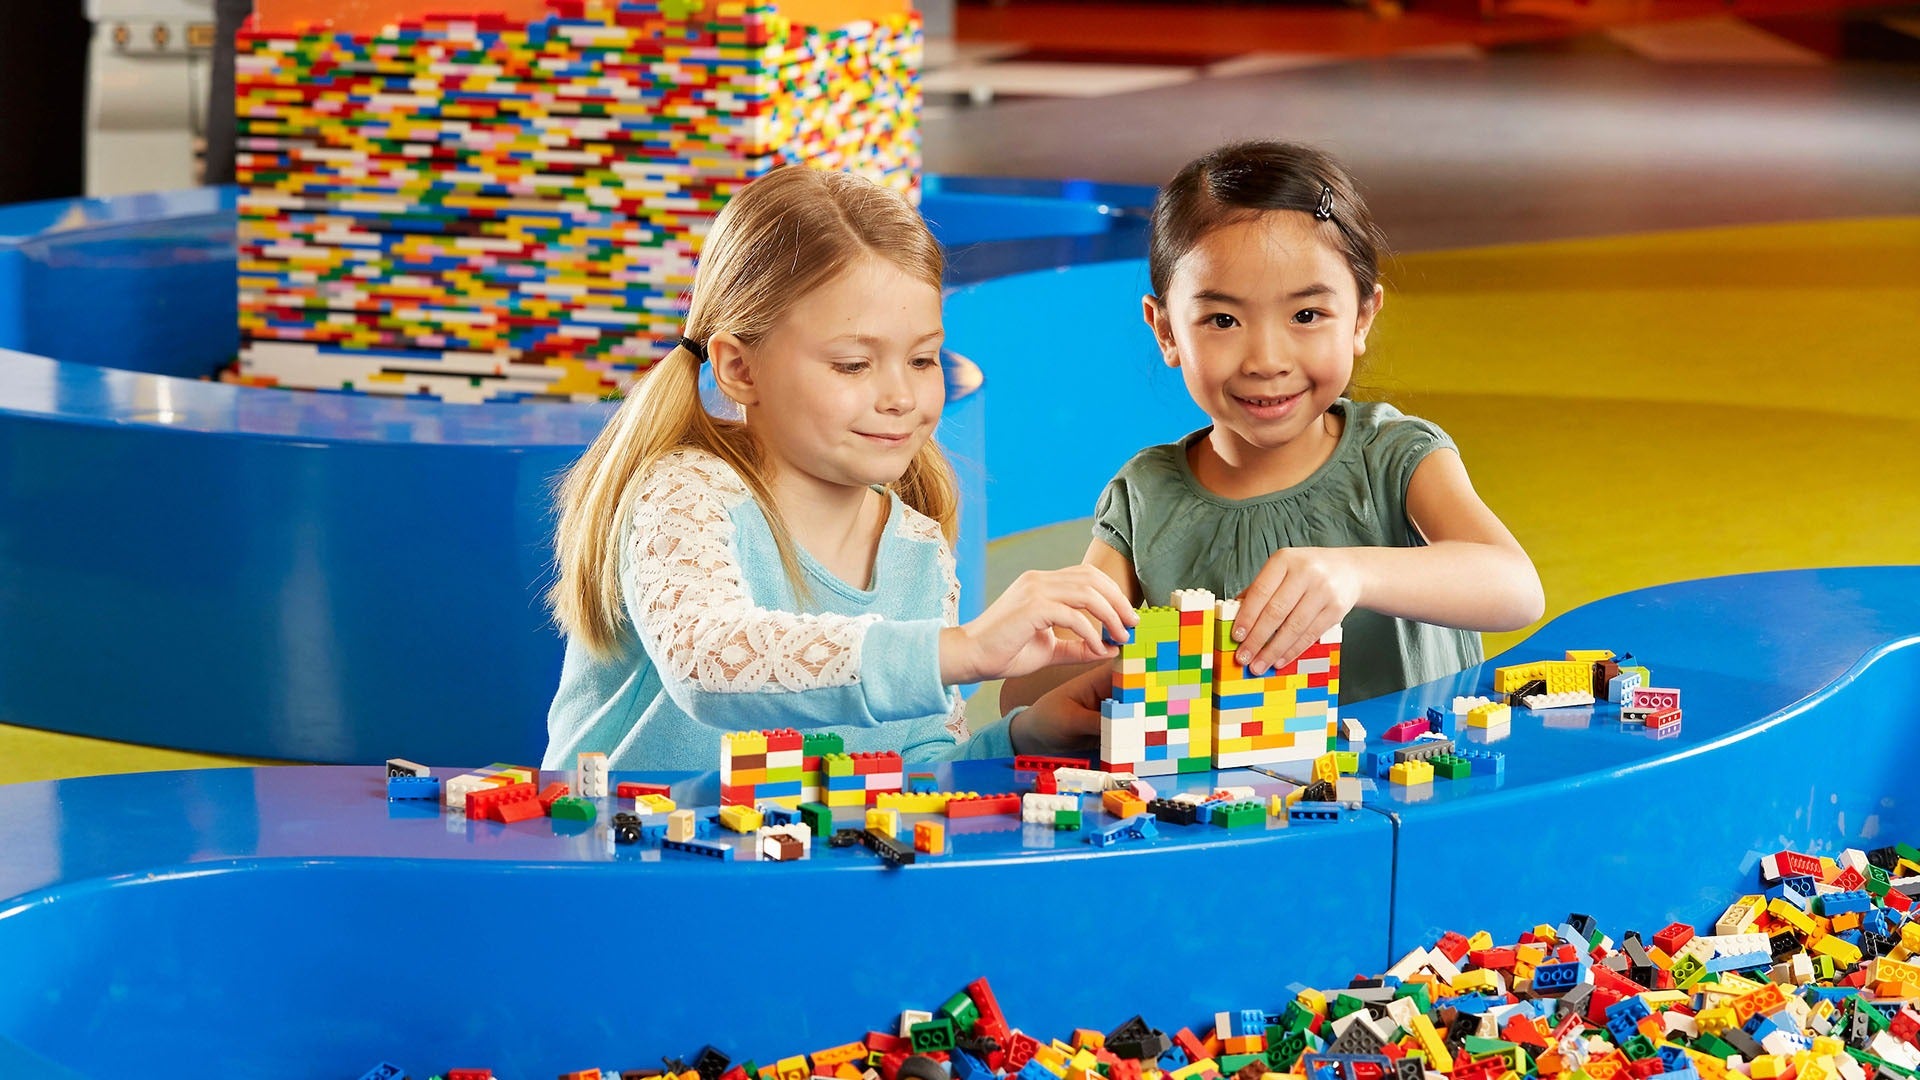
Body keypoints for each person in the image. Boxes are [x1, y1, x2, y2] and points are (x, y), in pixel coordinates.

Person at [543, 166, 1134, 772]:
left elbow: (917, 764)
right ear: (740, 369)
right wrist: (960, 650)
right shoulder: (684, 493)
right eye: (853, 364)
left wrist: (1024, 736)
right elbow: (710, 663)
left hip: (793, 864)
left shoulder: (918, 547)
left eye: (924, 358)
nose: (901, 396)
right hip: (628, 857)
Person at [1004, 141, 1542, 710]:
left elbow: (1514, 588)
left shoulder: (1396, 455)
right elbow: (1025, 691)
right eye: (1222, 319)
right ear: (1165, 331)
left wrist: (1355, 574)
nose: (1266, 359)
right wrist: (1096, 649)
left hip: (1421, 783)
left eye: (1306, 315)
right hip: (1230, 795)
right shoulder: (1145, 496)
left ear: (1362, 317)